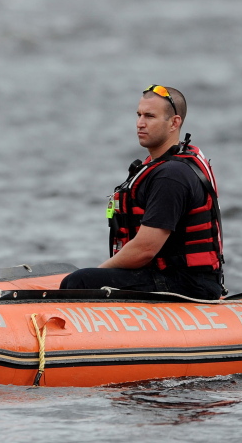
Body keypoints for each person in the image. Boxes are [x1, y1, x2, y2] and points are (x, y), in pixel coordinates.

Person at [60, 85, 226, 300]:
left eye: (150, 116)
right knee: (78, 278)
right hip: (173, 277)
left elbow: (144, 250)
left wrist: (101, 273)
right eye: (138, 115)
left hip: (187, 285)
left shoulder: (171, 175)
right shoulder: (162, 166)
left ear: (174, 122)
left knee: (79, 281)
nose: (140, 123)